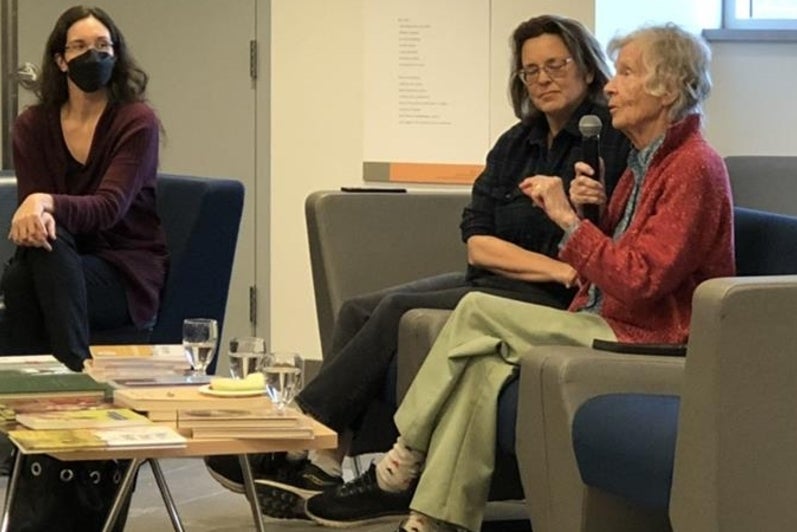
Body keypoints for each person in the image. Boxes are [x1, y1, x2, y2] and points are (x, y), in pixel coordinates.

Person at [303, 23, 735, 532]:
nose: (612, 86)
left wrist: (568, 221)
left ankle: (401, 459)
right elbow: (608, 259)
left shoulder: (693, 167)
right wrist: (590, 214)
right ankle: (433, 519)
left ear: (666, 88)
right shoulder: (646, 160)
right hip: (611, 317)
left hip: (648, 337)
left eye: (626, 74)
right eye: (531, 70)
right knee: (481, 367)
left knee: (474, 311)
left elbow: (640, 281)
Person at [204, 14, 630, 517]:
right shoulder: (516, 144)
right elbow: (478, 242)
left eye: (555, 65)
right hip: (497, 277)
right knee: (360, 309)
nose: (543, 80)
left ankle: (294, 435)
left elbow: (595, 253)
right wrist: (552, 264)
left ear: (586, 67)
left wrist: (565, 258)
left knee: (401, 311)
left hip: (550, 300)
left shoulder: (609, 143)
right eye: (530, 71)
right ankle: (322, 459)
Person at [0, 5, 167, 372]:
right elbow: (39, 227)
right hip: (57, 258)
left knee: (24, 275)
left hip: (123, 270)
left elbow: (108, 208)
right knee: (30, 266)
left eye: (103, 45)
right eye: (79, 46)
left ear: (116, 54)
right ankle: (52, 383)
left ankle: (63, 373)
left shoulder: (137, 122)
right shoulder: (33, 125)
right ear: (61, 60)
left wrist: (43, 201)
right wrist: (40, 210)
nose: (94, 55)